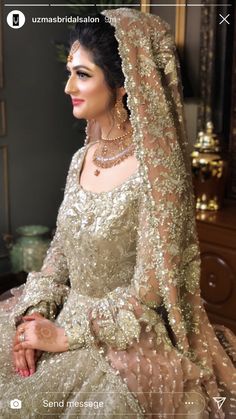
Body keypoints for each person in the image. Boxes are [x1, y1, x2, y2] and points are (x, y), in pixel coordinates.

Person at [0, 7, 236, 418]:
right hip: (60, 321)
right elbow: (58, 259)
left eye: (84, 74)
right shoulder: (81, 159)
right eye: (70, 71)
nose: (68, 85)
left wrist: (64, 336)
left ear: (125, 85)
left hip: (123, 339)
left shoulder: (158, 174)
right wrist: (35, 318)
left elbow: (147, 293)